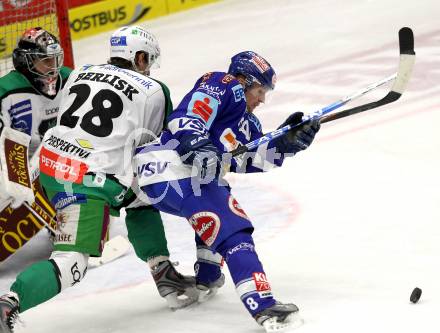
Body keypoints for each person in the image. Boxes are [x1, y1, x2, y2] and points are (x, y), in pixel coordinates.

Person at [0, 25, 195, 333]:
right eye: (148, 60)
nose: (150, 67)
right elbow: (157, 145)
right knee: (72, 264)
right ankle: (9, 304)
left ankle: (163, 270)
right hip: (87, 180)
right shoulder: (154, 89)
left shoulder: (79, 73)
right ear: (140, 57)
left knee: (140, 193)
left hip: (47, 167)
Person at [134, 51, 320, 331]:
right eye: (259, 90)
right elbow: (188, 116)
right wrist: (196, 142)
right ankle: (264, 306)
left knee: (214, 206)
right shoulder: (224, 84)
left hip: (166, 180)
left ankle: (206, 277)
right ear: (243, 80)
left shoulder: (248, 124)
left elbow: (249, 158)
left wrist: (286, 143)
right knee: (233, 229)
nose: (262, 99)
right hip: (172, 167)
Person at [0, 27, 71, 208]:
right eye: (46, 60)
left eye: (55, 59)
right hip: (17, 165)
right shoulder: (7, 91)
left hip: (58, 161)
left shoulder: (70, 79)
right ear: (26, 60)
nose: (53, 66)